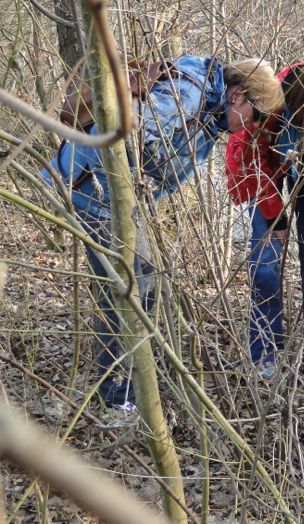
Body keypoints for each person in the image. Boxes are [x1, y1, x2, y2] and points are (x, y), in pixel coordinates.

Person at [43, 56, 284, 411]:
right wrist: (144, 177)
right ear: (239, 95)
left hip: (115, 201)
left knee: (147, 284)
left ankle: (138, 379)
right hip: (91, 194)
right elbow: (128, 130)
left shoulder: (209, 104)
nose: (254, 126)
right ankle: (116, 395)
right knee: (123, 291)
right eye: (257, 116)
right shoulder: (190, 92)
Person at [225, 61, 304, 380]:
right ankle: (266, 350)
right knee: (265, 264)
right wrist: (276, 216)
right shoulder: (272, 105)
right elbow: (254, 163)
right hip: (263, 170)